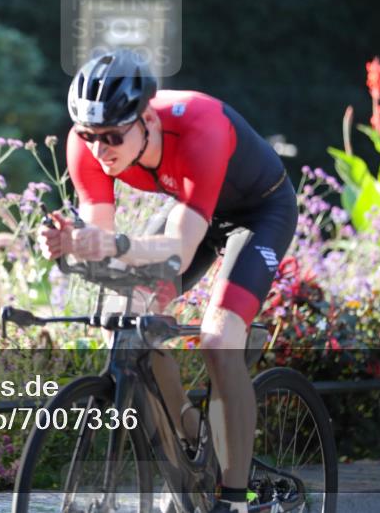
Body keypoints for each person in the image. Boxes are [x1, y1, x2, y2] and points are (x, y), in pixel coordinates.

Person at [38, 49, 298, 513]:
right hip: (193, 210)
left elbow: (177, 251)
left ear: (149, 121)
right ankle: (192, 438)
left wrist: (114, 245)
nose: (101, 149)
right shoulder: (88, 147)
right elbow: (101, 235)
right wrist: (71, 243)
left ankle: (235, 500)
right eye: (89, 135)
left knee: (219, 341)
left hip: (258, 213)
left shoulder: (200, 127)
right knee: (130, 320)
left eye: (114, 135)